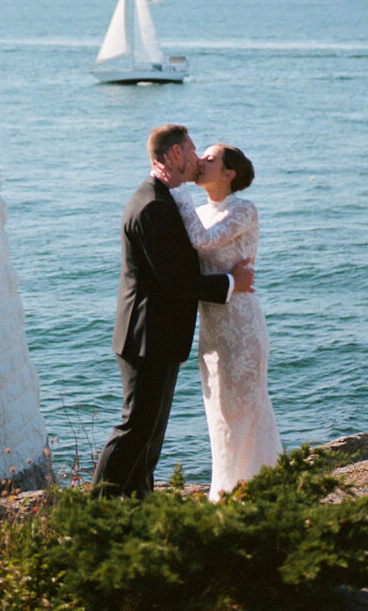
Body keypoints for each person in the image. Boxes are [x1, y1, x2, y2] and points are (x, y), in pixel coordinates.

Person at [91, 124, 255, 497]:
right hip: (147, 335)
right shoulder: (153, 206)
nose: (197, 159)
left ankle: (136, 505)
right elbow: (176, 282)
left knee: (148, 436)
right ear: (177, 153)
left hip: (158, 335)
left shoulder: (165, 199)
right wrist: (231, 283)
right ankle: (96, 510)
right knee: (135, 429)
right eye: (194, 151)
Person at [169, 143, 281, 500]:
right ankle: (231, 490)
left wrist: (177, 189)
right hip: (212, 329)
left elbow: (201, 241)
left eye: (210, 158)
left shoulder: (244, 210)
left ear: (229, 174)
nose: (200, 161)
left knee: (246, 414)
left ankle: (252, 491)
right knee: (220, 415)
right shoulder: (199, 210)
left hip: (243, 326)